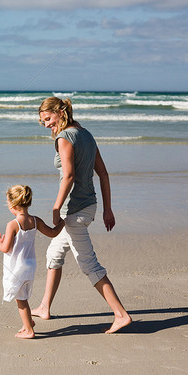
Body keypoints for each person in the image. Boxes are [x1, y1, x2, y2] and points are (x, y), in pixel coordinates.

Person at [31, 97, 132, 334]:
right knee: (54, 253)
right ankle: (45, 306)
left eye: (48, 118)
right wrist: (108, 209)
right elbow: (104, 174)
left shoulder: (64, 138)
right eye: (42, 121)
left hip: (73, 210)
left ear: (60, 112)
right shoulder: (86, 134)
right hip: (89, 206)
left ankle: (120, 314)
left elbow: (68, 176)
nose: (46, 124)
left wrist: (56, 208)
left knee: (89, 264)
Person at [0, 184, 64, 339]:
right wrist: (63, 223)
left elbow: (6, 248)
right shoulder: (35, 220)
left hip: (17, 268)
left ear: (13, 204)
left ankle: (28, 330)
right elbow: (52, 233)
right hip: (30, 266)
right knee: (23, 296)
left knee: (21, 300)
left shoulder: (12, 225)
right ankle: (29, 322)